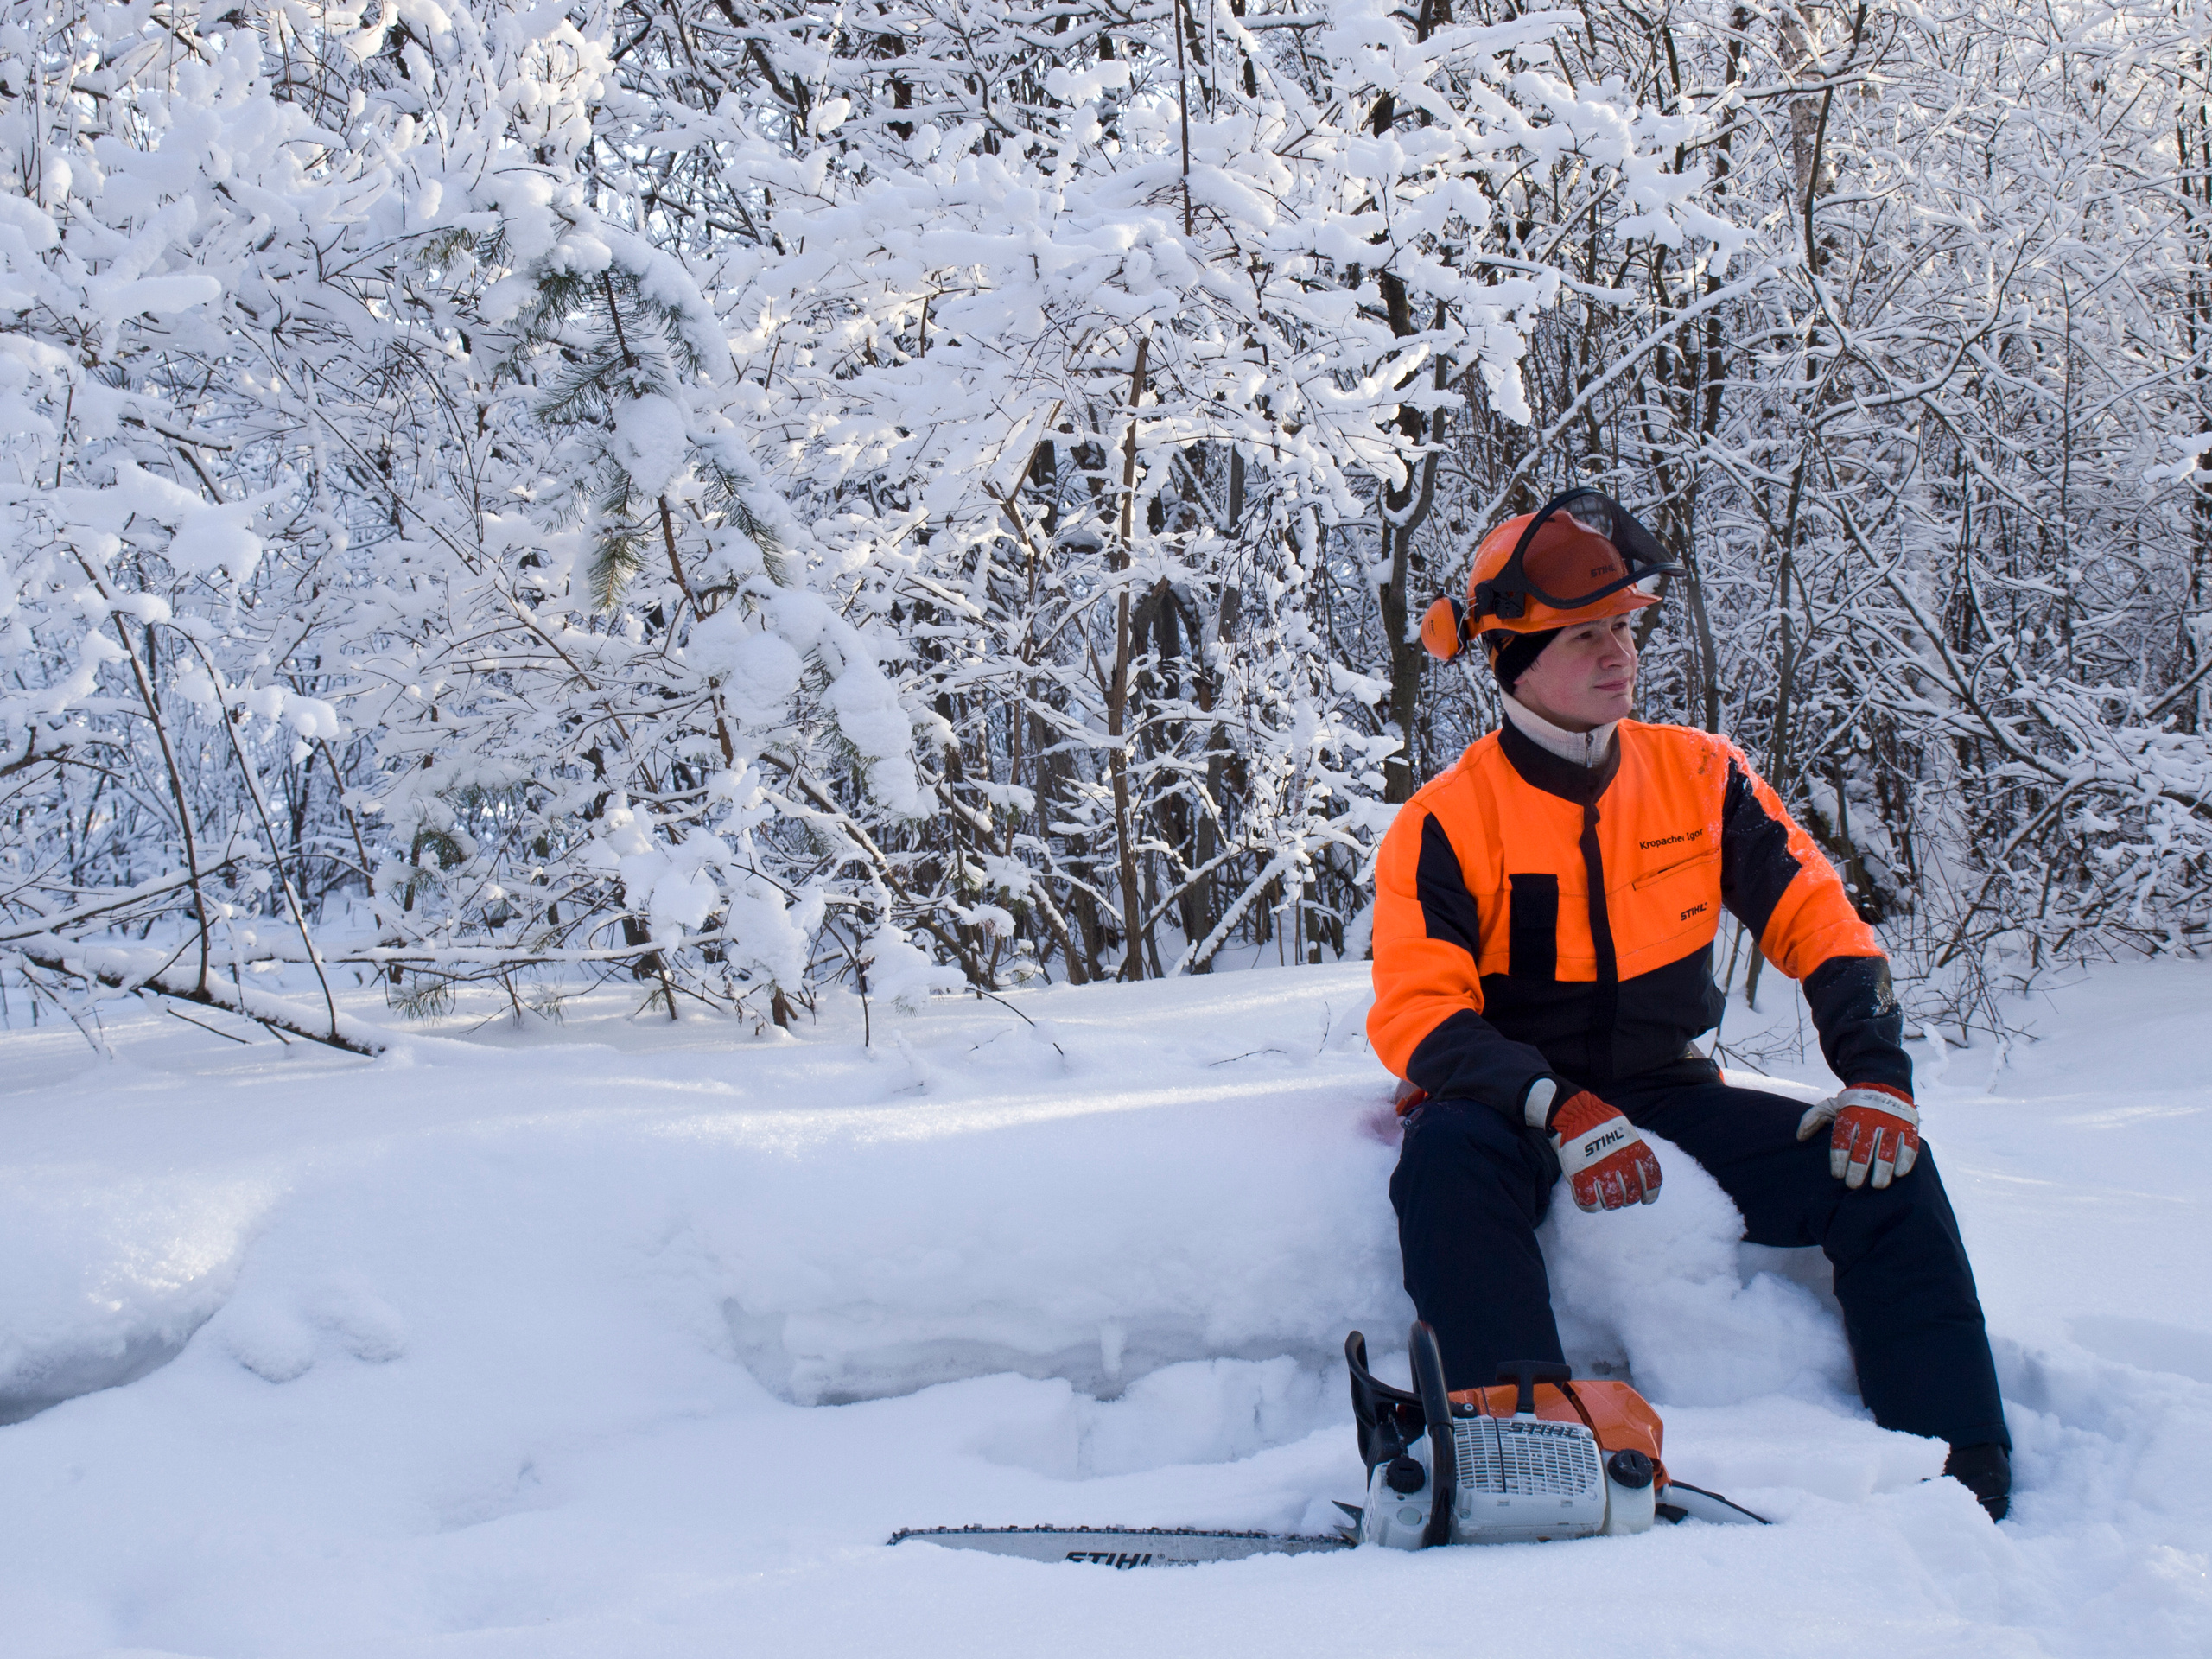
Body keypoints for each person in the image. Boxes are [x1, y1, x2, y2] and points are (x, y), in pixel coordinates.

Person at [1365, 490, 2012, 1521]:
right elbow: (1417, 1014)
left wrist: (1877, 1076)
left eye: (1625, 627)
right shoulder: (1442, 821)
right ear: (1512, 660)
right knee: (1442, 1164)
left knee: (1883, 1164)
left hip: (1669, 1094)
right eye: (1586, 634)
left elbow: (1824, 925)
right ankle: (1518, 1452)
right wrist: (1555, 1106)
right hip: (1508, 1111)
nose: (1620, 652)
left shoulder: (1703, 777)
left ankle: (1959, 1467)